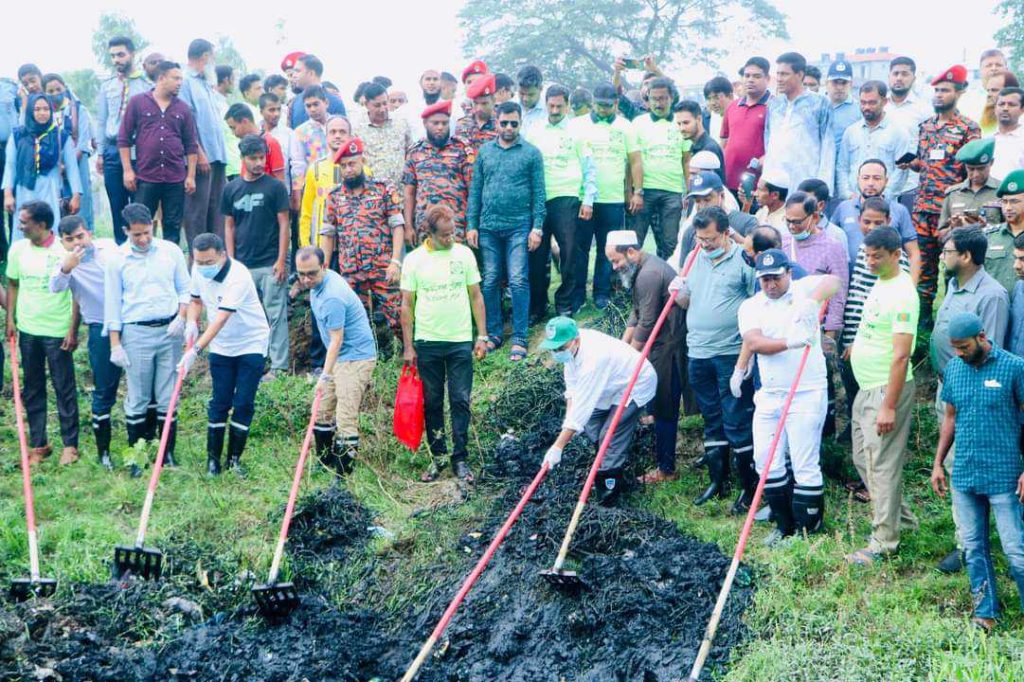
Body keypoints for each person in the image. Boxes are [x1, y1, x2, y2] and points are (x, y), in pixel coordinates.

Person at [929, 311, 1024, 632]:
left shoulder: (1014, 367)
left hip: (1004, 475)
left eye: (964, 346)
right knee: (972, 547)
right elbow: (950, 418)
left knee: (1015, 550)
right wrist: (938, 463)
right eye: (954, 347)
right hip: (965, 475)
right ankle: (985, 612)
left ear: (982, 337)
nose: (959, 353)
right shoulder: (955, 369)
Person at [738, 250, 841, 543]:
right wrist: (790, 342)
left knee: (803, 458)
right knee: (765, 459)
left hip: (806, 390)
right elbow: (754, 341)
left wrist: (811, 302)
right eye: (765, 279)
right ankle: (784, 525)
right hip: (770, 392)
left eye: (776, 278)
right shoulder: (751, 306)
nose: (770, 284)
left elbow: (833, 281)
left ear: (788, 273)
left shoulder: (802, 288)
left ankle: (808, 528)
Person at [930, 227, 1010, 572]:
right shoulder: (953, 284)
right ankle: (966, 537)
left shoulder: (991, 295)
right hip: (946, 386)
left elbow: (989, 349)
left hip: (970, 393)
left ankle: (969, 546)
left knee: (966, 466)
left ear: (965, 256)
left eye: (948, 251)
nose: (942, 256)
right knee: (952, 463)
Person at [674, 206, 757, 512]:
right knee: (711, 418)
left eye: (710, 239)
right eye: (700, 238)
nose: (704, 244)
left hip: (730, 352)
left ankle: (748, 487)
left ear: (725, 233)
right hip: (698, 352)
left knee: (735, 418)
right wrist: (679, 291)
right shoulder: (694, 257)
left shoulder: (742, 261)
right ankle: (716, 480)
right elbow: (687, 302)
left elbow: (756, 303)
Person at [845, 226, 920, 565]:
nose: (870, 261)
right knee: (864, 457)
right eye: (867, 255)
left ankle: (884, 542)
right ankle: (901, 519)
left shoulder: (904, 293)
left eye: (877, 256)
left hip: (885, 390)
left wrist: (889, 404)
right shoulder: (881, 282)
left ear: (895, 255)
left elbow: (902, 355)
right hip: (867, 385)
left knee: (882, 465)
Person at [400, 205, 488, 482]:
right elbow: (406, 304)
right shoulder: (414, 260)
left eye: (453, 233)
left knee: (460, 399)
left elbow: (475, 295)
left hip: (460, 339)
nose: (451, 239)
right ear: (430, 234)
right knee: (433, 401)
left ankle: (460, 458)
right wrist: (408, 346)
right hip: (428, 341)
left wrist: (481, 335)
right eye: (446, 235)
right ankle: (438, 456)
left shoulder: (463, 255)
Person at [104, 203, 190, 475]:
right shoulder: (118, 259)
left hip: (169, 330)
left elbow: (185, 289)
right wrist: (115, 343)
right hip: (136, 331)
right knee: (138, 396)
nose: (142, 239)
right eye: (136, 235)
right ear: (126, 231)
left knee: (168, 395)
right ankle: (137, 459)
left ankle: (167, 454)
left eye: (147, 232)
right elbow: (113, 304)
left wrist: (182, 317)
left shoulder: (171, 251)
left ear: (153, 225)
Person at [540, 316, 657, 505]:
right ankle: (605, 461)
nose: (557, 352)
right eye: (553, 349)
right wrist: (569, 423)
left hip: (634, 383)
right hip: (608, 385)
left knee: (609, 435)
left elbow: (583, 405)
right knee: (592, 425)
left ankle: (608, 494)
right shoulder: (572, 349)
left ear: (575, 340)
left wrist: (558, 446)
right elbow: (572, 390)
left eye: (560, 348)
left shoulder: (593, 358)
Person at [179, 233, 270, 475]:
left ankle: (234, 460)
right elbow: (195, 301)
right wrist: (191, 321)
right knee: (219, 401)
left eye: (209, 262)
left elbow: (220, 319)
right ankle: (213, 461)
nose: (203, 267)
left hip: (250, 342)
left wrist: (196, 350)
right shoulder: (198, 270)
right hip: (221, 345)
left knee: (243, 402)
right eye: (199, 262)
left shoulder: (238, 276)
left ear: (222, 255)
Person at [902, 65, 981, 328]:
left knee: (954, 268)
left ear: (959, 93)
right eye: (936, 90)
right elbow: (926, 164)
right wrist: (912, 164)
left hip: (952, 213)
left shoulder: (968, 129)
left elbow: (972, 170)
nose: (938, 95)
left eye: (945, 90)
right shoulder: (925, 127)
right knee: (923, 270)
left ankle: (952, 324)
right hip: (923, 208)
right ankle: (922, 326)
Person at [467, 101, 546, 362]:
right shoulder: (485, 152)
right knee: (490, 279)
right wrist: (472, 225)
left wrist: (537, 227)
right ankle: (495, 333)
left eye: (514, 123)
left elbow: (539, 194)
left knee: (518, 279)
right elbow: (476, 190)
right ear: (496, 122)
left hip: (519, 227)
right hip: (488, 227)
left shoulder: (531, 153)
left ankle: (520, 336)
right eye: (504, 123)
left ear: (520, 123)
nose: (509, 127)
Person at [603, 231, 683, 483]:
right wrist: (622, 348)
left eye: (617, 261)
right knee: (658, 405)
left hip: (668, 347)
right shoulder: (641, 270)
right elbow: (636, 313)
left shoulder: (649, 274)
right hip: (658, 345)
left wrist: (630, 356)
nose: (615, 267)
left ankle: (666, 469)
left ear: (631, 252)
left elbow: (647, 323)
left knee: (665, 406)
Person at [5, 201, 78, 465]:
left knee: (63, 387)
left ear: (42, 225)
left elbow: (76, 292)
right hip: (28, 329)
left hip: (57, 330)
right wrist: (10, 319)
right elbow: (12, 284)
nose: (20, 226)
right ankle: (39, 444)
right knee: (33, 388)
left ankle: (70, 445)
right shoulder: (18, 249)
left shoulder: (63, 250)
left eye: (25, 222)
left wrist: (72, 328)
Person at [296, 246, 376, 475]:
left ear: (324, 267)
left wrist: (325, 375)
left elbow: (336, 340)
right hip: (338, 356)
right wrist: (328, 374)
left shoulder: (332, 296)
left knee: (345, 417)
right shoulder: (316, 286)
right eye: (301, 274)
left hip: (355, 357)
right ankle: (325, 463)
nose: (306, 279)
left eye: (311, 273)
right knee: (320, 411)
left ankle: (342, 475)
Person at [49, 215, 120, 470]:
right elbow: (55, 287)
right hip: (99, 327)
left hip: (128, 323)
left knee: (141, 386)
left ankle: (146, 443)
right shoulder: (65, 262)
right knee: (104, 388)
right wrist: (67, 267)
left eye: (80, 236)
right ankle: (104, 453)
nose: (77, 243)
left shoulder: (110, 248)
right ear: (63, 242)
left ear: (89, 233)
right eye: (70, 239)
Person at [321, 138, 404, 351]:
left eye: (352, 164)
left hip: (382, 267)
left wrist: (395, 261)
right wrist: (324, 268)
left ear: (362, 162)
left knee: (398, 317)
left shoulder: (383, 189)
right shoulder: (334, 197)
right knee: (354, 323)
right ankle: (361, 363)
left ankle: (413, 356)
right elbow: (328, 234)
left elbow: (397, 225)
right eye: (344, 166)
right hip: (351, 271)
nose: (348, 170)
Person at [221, 135, 290, 380]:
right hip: (242, 265)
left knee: (276, 314)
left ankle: (279, 367)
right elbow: (229, 226)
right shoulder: (231, 189)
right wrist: (230, 262)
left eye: (262, 157)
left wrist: (282, 259)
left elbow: (284, 224)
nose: (259, 162)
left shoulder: (275, 187)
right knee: (248, 316)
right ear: (243, 159)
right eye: (254, 158)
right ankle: (252, 363)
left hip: (271, 262)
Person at [569, 82, 642, 311]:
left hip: (612, 198)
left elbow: (635, 160)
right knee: (580, 248)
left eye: (608, 106)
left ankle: (601, 293)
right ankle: (577, 295)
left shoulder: (625, 126)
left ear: (616, 104)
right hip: (584, 199)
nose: (603, 110)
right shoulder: (577, 125)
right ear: (592, 103)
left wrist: (636, 191)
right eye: (599, 105)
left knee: (606, 249)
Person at [528, 84, 596, 320]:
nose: (555, 110)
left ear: (567, 106)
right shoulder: (534, 131)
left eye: (560, 106)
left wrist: (588, 200)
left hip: (567, 197)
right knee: (537, 254)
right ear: (545, 104)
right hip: (539, 198)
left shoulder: (578, 132)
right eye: (551, 105)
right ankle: (538, 305)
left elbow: (589, 169)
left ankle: (564, 301)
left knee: (569, 252)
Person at [117, 60, 198, 247]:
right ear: (161, 78)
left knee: (173, 227)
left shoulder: (183, 108)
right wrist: (128, 170)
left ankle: (170, 269)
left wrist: (191, 176)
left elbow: (190, 145)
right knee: (140, 224)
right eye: (175, 78)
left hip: (175, 178)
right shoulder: (138, 102)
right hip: (146, 177)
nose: (179, 82)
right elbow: (124, 139)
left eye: (181, 79)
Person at [96, 36, 151, 243]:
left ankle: (142, 248)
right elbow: (102, 121)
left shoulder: (147, 85)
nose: (116, 60)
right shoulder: (107, 86)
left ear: (132, 54)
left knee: (140, 205)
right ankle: (121, 250)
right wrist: (100, 153)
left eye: (120, 54)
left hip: (139, 151)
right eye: (112, 56)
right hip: (112, 151)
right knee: (116, 203)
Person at [3, 94, 81, 241]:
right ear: (30, 111)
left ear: (51, 111)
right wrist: (8, 195)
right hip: (25, 189)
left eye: (46, 109)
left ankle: (52, 261)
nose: (42, 113)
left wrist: (76, 194)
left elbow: (72, 168)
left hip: (50, 188)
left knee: (50, 226)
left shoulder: (60, 136)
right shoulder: (18, 135)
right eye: (37, 109)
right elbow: (10, 166)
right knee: (23, 227)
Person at [629, 77, 688, 259]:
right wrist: (634, 192)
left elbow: (686, 160)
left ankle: (668, 284)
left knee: (670, 242)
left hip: (672, 192)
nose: (658, 103)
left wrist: (689, 191)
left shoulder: (681, 123)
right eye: (654, 99)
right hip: (644, 192)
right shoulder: (638, 123)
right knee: (634, 242)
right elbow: (632, 161)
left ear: (671, 98)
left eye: (663, 98)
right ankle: (631, 285)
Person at [832, 158, 922, 277]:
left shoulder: (899, 210)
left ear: (886, 181)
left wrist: (912, 287)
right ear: (857, 180)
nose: (870, 183)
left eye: (877, 178)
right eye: (865, 178)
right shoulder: (844, 208)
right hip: (852, 287)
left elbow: (913, 253)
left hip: (888, 283)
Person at [403, 101, 474, 245]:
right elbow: (409, 193)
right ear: (425, 123)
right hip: (425, 227)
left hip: (456, 226)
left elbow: (473, 189)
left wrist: (472, 225)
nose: (440, 127)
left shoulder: (462, 149)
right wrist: (408, 226)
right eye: (435, 123)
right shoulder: (414, 151)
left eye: (444, 123)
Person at [763, 52, 834, 195]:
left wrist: (823, 189)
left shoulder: (820, 103)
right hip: (775, 185)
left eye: (784, 74)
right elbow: (768, 143)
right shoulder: (774, 104)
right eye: (778, 74)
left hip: (805, 184)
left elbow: (828, 147)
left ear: (800, 75)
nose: (779, 79)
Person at [179, 39, 228, 245]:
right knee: (197, 213)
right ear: (205, 57)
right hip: (200, 158)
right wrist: (198, 154)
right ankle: (199, 259)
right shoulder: (185, 81)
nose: (213, 63)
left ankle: (218, 258)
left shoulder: (206, 83)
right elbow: (186, 121)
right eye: (212, 57)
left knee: (218, 212)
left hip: (217, 156)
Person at [781, 191, 849, 340]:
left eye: (797, 222)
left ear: (815, 217)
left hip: (815, 329)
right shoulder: (783, 242)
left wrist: (830, 335)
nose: (791, 227)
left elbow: (838, 295)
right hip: (785, 327)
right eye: (788, 221)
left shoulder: (832, 247)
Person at [837, 81, 913, 201]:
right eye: (863, 102)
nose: (866, 107)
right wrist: (848, 195)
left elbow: (901, 171)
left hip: (885, 204)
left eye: (872, 102)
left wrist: (884, 196)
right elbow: (842, 167)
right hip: (853, 201)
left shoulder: (899, 132)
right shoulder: (851, 132)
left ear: (884, 102)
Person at [42, 73, 96, 230]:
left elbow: (83, 141)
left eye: (58, 89)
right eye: (50, 91)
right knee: (58, 203)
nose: (54, 94)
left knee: (80, 202)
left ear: (64, 87)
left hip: (78, 162)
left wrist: (69, 164)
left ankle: (85, 236)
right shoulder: (45, 113)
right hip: (54, 165)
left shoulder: (79, 110)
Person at [886, 56, 935, 215]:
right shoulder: (880, 106)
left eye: (904, 74)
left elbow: (929, 147)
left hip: (911, 185)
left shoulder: (923, 110)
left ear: (913, 78)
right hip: (881, 182)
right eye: (895, 73)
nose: (899, 78)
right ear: (889, 76)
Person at [298, 115, 352, 248]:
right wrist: (305, 244)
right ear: (326, 136)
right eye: (333, 132)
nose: (337, 136)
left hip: (350, 248)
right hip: (321, 245)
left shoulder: (362, 170)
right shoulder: (315, 169)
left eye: (342, 132)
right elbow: (306, 211)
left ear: (350, 137)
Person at [722, 56, 771, 196]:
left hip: (756, 184)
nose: (750, 80)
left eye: (756, 76)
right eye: (747, 75)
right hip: (728, 181)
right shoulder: (732, 106)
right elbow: (724, 141)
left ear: (767, 79)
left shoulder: (774, 107)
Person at [938, 138, 1001, 240]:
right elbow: (941, 236)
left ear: (991, 162)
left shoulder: (1002, 191)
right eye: (971, 169)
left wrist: (986, 228)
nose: (976, 174)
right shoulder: (953, 194)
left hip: (991, 251)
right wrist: (954, 227)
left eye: (981, 168)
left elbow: (1014, 229)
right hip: (960, 251)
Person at [353, 82, 412, 188]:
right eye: (377, 105)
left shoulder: (401, 123)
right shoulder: (357, 129)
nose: (382, 109)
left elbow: (410, 152)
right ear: (366, 104)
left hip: (399, 191)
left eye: (385, 103)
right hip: (371, 193)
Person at [224, 104, 285, 181]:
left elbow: (280, 179)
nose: (233, 133)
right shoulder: (244, 143)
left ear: (244, 122)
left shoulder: (270, 143)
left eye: (233, 128)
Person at [987, 169, 1024, 293]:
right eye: (1004, 202)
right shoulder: (988, 236)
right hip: (996, 308)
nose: (1008, 208)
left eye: (1014, 202)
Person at [289, 86, 331, 195]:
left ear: (326, 103)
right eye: (308, 106)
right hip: (314, 187)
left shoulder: (339, 125)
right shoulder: (300, 132)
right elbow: (298, 164)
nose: (312, 109)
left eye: (316, 104)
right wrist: (297, 194)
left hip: (339, 184)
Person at [288, 55, 347, 128]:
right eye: (308, 106)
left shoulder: (335, 100)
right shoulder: (294, 103)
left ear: (311, 73)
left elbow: (342, 133)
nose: (293, 75)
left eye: (297, 71)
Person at [675, 99, 723, 178]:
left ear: (699, 119)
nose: (682, 128)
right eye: (679, 124)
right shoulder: (694, 146)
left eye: (686, 123)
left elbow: (713, 187)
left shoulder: (709, 149)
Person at [454, 74, 498, 153]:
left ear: (494, 101)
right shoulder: (462, 124)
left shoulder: (503, 124)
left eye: (484, 104)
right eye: (476, 103)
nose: (479, 108)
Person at [991, 86, 1024, 183]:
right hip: (988, 196)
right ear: (995, 108)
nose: (1005, 108)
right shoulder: (987, 139)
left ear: (1022, 109)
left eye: (1011, 104)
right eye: (1001, 104)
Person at [826, 59, 860, 150]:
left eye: (844, 83)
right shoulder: (818, 106)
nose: (839, 87)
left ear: (851, 84)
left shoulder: (859, 110)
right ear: (827, 83)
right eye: (835, 82)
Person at [517, 65, 546, 138]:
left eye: (530, 95)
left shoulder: (548, 110)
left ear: (541, 89)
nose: (525, 99)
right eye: (522, 93)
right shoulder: (510, 105)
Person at [703, 76, 734, 144]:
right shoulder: (714, 115)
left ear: (730, 96)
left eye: (716, 97)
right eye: (709, 99)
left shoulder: (742, 114)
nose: (712, 103)